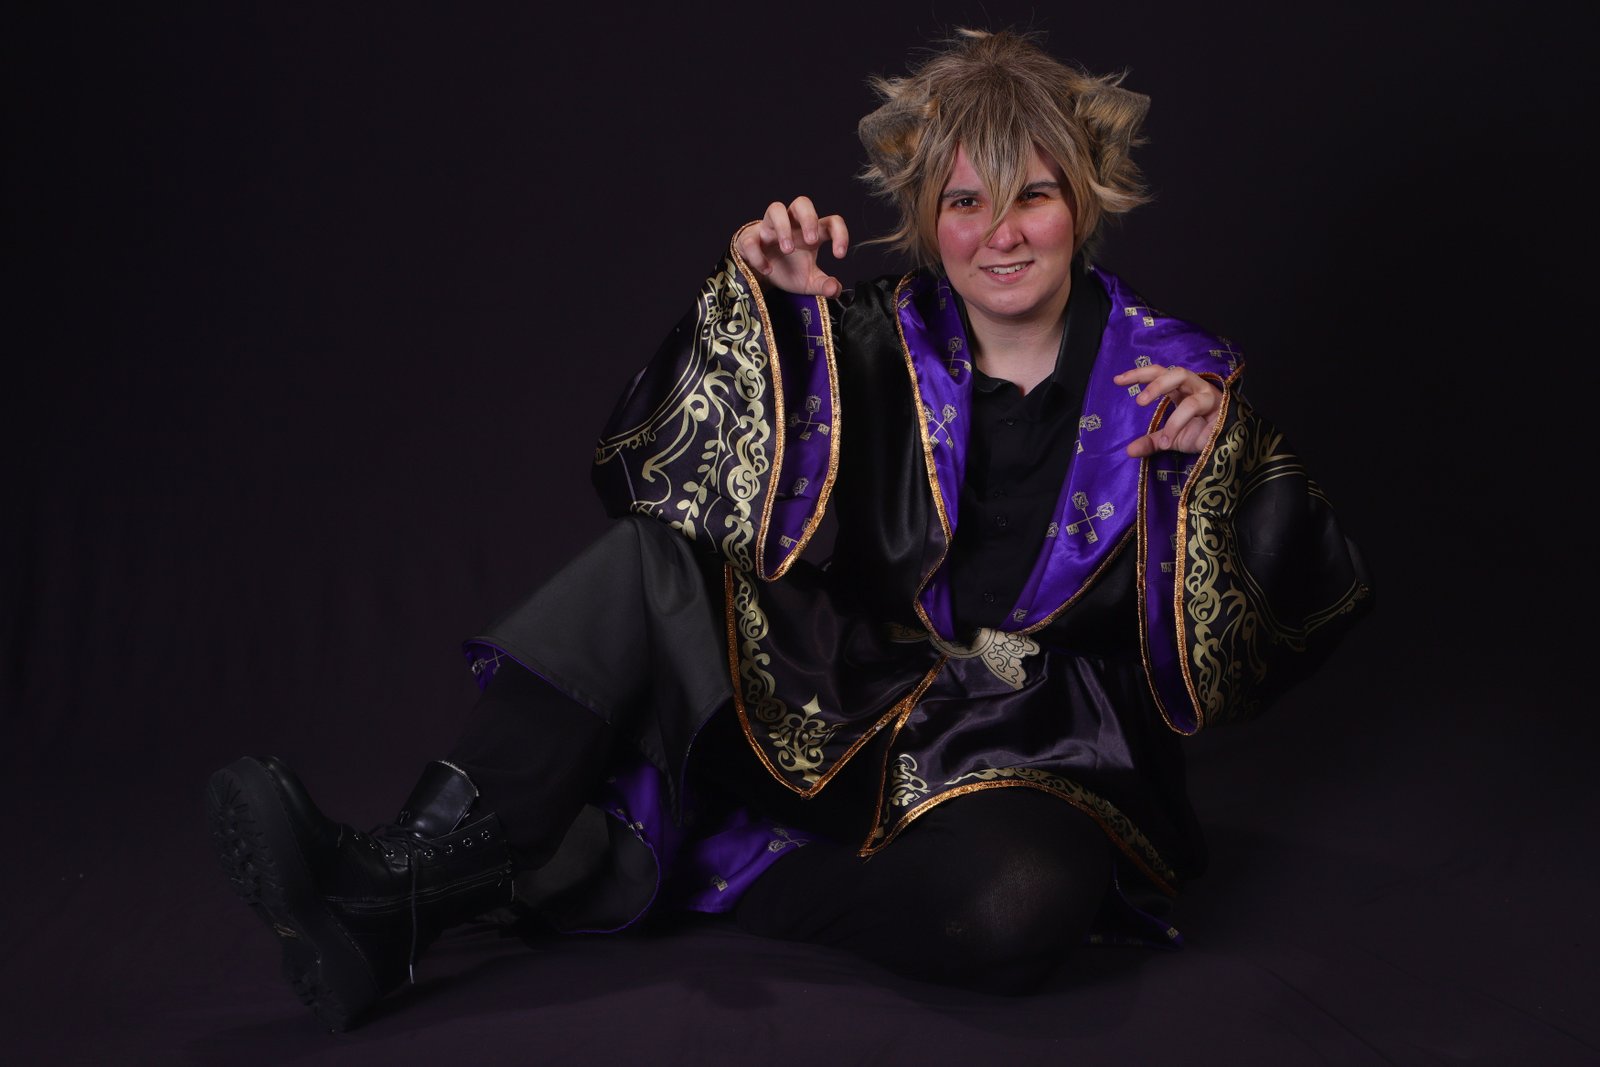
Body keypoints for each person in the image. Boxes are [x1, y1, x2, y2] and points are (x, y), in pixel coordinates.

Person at [206, 27, 1372, 1032]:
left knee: (1016, 906)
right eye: (964, 201)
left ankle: (652, 869)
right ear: (926, 218)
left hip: (1038, 752)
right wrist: (758, 307)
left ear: (1086, 200)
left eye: (1033, 194)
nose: (1001, 234)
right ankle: (402, 875)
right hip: (841, 704)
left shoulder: (1176, 380)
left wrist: (1213, 467)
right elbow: (658, 480)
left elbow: (1262, 648)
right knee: (652, 561)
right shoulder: (862, 330)